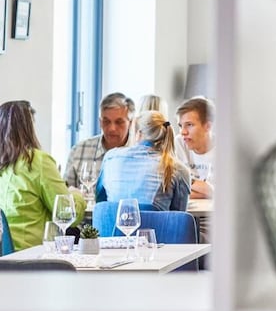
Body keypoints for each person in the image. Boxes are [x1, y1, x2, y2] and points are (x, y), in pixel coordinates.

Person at [0, 101, 84, 250]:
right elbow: (66, 215)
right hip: (33, 254)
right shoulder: (37, 161)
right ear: (29, 127)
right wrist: (77, 196)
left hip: (5, 254)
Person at [96, 111, 191, 211]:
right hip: (155, 222)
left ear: (139, 134)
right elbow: (178, 215)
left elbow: (100, 200)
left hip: (110, 221)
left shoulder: (110, 157)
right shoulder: (178, 169)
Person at [63, 92, 135, 188]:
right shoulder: (79, 151)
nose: (112, 128)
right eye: (106, 122)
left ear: (130, 123)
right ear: (100, 122)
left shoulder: (140, 154)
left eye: (119, 122)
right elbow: (65, 191)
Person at [175, 97, 215, 200]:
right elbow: (172, 189)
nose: (183, 132)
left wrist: (185, 183)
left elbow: (218, 191)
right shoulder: (179, 142)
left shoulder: (223, 148)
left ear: (208, 126)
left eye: (189, 125)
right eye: (180, 126)